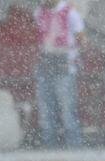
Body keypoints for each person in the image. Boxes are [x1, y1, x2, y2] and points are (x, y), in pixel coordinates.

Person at [34, 0, 85, 148]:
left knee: (68, 112)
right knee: (46, 113)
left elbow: (82, 37)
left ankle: (75, 149)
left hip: (64, 68)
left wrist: (72, 54)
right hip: (45, 66)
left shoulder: (70, 13)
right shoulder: (39, 12)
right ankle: (49, 149)